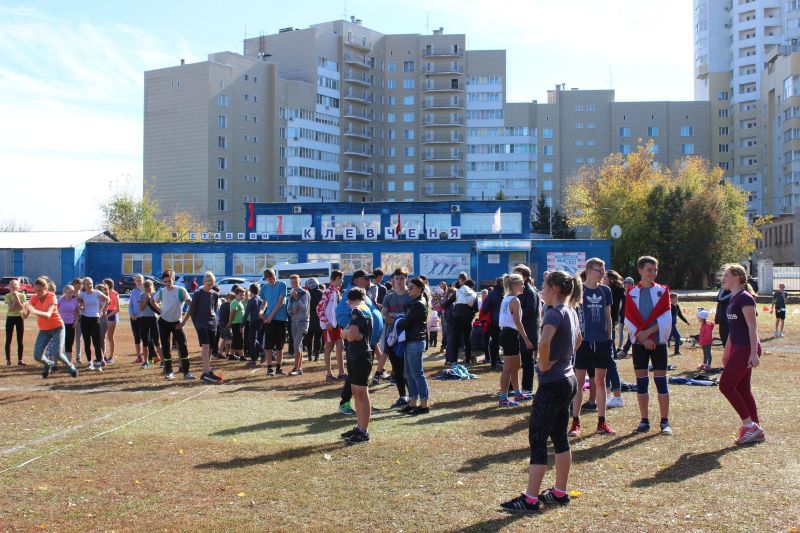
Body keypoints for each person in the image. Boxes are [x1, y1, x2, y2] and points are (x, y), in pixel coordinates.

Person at [500, 271, 581, 513]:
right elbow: (579, 339)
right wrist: (563, 359)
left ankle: (531, 499)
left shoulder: (554, 313)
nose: (541, 290)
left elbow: (544, 342)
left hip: (553, 384)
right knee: (560, 437)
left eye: (544, 286)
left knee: (538, 440)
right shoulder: (571, 311)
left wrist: (545, 365)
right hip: (568, 380)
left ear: (555, 288)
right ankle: (560, 492)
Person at [624, 256, 673, 435]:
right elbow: (629, 318)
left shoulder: (663, 291)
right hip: (639, 344)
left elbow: (666, 317)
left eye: (655, 270)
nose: (652, 273)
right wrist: (642, 338)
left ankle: (664, 421)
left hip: (658, 342)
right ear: (640, 271)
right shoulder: (631, 292)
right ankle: (644, 420)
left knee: (661, 382)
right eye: (649, 270)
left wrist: (649, 333)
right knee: (642, 382)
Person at [569, 258, 616, 436]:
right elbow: (572, 315)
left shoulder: (605, 290)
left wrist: (609, 339)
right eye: (599, 270)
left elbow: (608, 317)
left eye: (604, 270)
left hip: (602, 342)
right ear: (589, 271)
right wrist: (575, 340)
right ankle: (575, 423)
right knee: (579, 383)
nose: (603, 273)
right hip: (583, 343)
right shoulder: (578, 289)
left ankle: (602, 422)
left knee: (600, 382)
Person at [719, 264, 765, 444]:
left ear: (737, 277)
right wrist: (726, 351)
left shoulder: (745, 297)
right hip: (738, 348)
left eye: (727, 275)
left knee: (726, 386)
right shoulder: (733, 298)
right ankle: (756, 431)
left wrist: (754, 353)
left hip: (747, 348)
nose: (723, 278)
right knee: (743, 389)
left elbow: (753, 327)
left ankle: (750, 426)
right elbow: (733, 329)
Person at [22, 277, 79, 379]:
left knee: (56, 353)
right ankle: (49, 364)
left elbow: (48, 314)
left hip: (58, 328)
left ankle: (70, 366)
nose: (37, 293)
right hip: (44, 330)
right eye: (36, 290)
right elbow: (25, 315)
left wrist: (34, 311)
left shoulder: (51, 296)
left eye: (40, 290)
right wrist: (24, 310)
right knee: (37, 356)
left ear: (46, 288)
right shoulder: (34, 297)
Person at [339, 287, 374, 444]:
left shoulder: (357, 311)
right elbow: (345, 334)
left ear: (348, 301)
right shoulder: (363, 309)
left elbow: (350, 336)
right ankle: (360, 427)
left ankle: (364, 431)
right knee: (356, 392)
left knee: (361, 393)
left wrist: (349, 334)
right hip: (356, 354)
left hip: (360, 355)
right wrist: (350, 334)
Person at [497, 274, 535, 407]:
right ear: (514, 285)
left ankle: (517, 393)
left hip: (508, 334)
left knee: (516, 366)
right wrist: (527, 340)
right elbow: (518, 322)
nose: (523, 286)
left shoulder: (506, 298)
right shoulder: (514, 300)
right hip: (509, 335)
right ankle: (503, 398)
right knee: (507, 368)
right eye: (521, 284)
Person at [395, 277, 431, 415]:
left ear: (420, 289)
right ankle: (412, 402)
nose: (408, 290)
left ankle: (424, 404)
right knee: (409, 374)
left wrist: (396, 321)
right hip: (411, 340)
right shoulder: (414, 303)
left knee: (416, 373)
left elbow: (406, 323)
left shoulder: (418, 304)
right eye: (408, 287)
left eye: (411, 288)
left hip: (415, 341)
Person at [182, 271, 222, 384]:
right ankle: (207, 371)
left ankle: (206, 371)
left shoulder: (215, 294)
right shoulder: (198, 294)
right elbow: (192, 310)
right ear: (204, 282)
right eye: (208, 283)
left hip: (212, 324)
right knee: (205, 346)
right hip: (201, 324)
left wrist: (215, 322)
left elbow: (214, 308)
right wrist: (197, 325)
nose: (210, 286)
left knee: (210, 348)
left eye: (212, 283)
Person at [151, 270, 192, 380]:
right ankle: (169, 371)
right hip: (163, 322)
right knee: (165, 347)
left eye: (169, 281)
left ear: (173, 279)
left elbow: (191, 305)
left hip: (177, 323)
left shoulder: (181, 290)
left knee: (183, 345)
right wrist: (159, 310)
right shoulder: (161, 291)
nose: (167, 283)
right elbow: (152, 301)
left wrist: (184, 321)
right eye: (165, 281)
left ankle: (187, 372)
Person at [382, 268, 412, 409]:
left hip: (407, 337)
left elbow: (410, 317)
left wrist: (394, 315)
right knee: (397, 369)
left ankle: (413, 396)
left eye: (402, 278)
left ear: (406, 279)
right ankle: (402, 397)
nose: (399, 281)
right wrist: (398, 317)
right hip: (391, 337)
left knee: (408, 369)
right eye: (397, 278)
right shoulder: (388, 297)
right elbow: (385, 316)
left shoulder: (410, 295)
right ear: (393, 280)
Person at [514, 264, 542, 395]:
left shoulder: (530, 291)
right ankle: (512, 387)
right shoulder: (520, 290)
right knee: (515, 359)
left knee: (527, 360)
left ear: (524, 276)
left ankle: (527, 387)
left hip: (529, 330)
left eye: (516, 274)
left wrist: (515, 311)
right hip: (521, 330)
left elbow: (531, 311)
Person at [259, 268, 288, 376]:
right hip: (268, 319)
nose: (271, 280)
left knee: (280, 345)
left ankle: (279, 368)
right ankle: (269, 368)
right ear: (266, 279)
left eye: (272, 277)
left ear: (275, 275)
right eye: (269, 279)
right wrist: (261, 311)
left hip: (280, 318)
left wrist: (271, 315)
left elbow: (280, 302)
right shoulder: (264, 288)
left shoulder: (282, 284)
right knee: (268, 345)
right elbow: (264, 303)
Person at [317, 270, 345, 381]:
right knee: (328, 347)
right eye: (341, 279)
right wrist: (326, 322)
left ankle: (341, 372)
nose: (342, 281)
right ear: (337, 278)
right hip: (329, 325)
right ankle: (328, 373)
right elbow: (319, 309)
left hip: (337, 325)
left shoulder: (337, 291)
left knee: (340, 346)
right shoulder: (328, 292)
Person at [77, 277, 110, 371]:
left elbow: (107, 300)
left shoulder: (97, 292)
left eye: (90, 283)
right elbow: (77, 303)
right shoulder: (82, 294)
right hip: (85, 319)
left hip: (95, 319)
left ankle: (98, 363)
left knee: (96, 342)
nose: (89, 285)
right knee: (87, 342)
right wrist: (80, 307)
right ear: (84, 285)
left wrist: (102, 311)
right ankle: (89, 362)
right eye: (87, 284)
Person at [446, 278, 478, 366]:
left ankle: (454, 361)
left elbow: (447, 302)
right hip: (467, 319)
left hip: (457, 319)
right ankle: (467, 360)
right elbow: (476, 309)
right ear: (472, 286)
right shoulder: (474, 294)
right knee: (467, 341)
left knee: (455, 340)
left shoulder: (458, 291)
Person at [287, 274, 310, 376]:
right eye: (292, 282)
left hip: (303, 322)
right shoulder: (291, 293)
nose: (294, 284)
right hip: (294, 322)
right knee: (297, 345)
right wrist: (291, 311)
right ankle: (298, 368)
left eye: (296, 282)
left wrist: (297, 299)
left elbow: (305, 309)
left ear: (299, 282)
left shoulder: (305, 293)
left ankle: (297, 368)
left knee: (296, 344)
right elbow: (288, 309)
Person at [480, 278, 504, 368]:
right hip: (505, 320)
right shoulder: (507, 293)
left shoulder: (492, 294)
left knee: (494, 341)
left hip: (494, 320)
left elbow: (485, 308)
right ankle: (501, 360)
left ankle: (494, 361)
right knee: (504, 341)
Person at [138, 279, 162, 368]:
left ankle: (163, 361)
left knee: (156, 341)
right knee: (145, 341)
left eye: (149, 287)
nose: (148, 289)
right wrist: (145, 299)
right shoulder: (141, 295)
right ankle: (146, 362)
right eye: (146, 288)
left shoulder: (156, 294)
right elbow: (141, 308)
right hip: (144, 319)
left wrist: (151, 300)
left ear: (152, 287)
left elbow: (158, 308)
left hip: (153, 319)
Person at [4, 278, 26, 366]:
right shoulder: (7, 296)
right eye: (12, 287)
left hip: (19, 318)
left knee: (20, 340)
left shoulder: (22, 295)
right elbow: (11, 308)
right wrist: (14, 299)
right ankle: (8, 360)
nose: (13, 288)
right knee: (8, 339)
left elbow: (21, 308)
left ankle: (20, 360)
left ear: (18, 287)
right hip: (10, 318)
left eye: (15, 287)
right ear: (9, 287)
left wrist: (17, 297)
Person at [57, 284, 80, 363]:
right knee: (59, 343)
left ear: (73, 293)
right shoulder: (60, 300)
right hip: (61, 325)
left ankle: (68, 363)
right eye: (67, 292)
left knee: (69, 343)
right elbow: (55, 311)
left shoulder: (74, 301)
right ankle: (55, 362)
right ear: (64, 292)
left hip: (71, 325)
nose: (68, 294)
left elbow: (77, 312)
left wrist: (76, 321)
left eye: (70, 292)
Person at [304, 278, 324, 362]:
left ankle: (309, 355)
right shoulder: (322, 293)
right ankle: (317, 355)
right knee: (318, 338)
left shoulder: (306, 293)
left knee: (309, 338)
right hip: (319, 318)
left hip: (308, 318)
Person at [128, 275, 145, 364]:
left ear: (143, 280)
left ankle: (149, 357)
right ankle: (139, 356)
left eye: (140, 280)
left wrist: (140, 315)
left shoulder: (146, 291)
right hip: (134, 318)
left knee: (145, 338)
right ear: (135, 282)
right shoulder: (133, 292)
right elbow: (130, 305)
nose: (138, 282)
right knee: (136, 337)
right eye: (137, 280)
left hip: (144, 318)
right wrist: (131, 314)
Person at [245, 284, 263, 366]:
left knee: (251, 340)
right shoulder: (260, 299)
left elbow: (246, 313)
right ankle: (259, 354)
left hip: (253, 321)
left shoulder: (252, 300)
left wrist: (242, 325)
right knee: (254, 339)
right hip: (260, 321)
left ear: (250, 291)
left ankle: (254, 359)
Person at [102, 278, 120, 363]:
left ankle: (111, 357)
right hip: (104, 314)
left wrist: (107, 316)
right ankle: (103, 356)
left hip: (112, 315)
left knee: (110, 336)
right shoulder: (104, 293)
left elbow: (117, 309)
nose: (103, 286)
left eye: (104, 284)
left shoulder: (114, 293)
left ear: (108, 285)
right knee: (102, 336)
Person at [617, 276, 635, 357]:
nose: (624, 284)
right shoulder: (623, 292)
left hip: (631, 316)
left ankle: (625, 350)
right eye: (624, 282)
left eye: (626, 282)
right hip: (622, 314)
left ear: (630, 283)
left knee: (631, 333)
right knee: (620, 331)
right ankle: (620, 348)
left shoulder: (634, 293)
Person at [229, 287, 246, 360]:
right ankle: (242, 356)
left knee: (236, 339)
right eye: (241, 295)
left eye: (243, 295)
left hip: (238, 323)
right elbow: (232, 313)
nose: (242, 296)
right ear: (236, 294)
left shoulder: (238, 302)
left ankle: (231, 355)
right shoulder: (235, 302)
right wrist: (230, 322)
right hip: (237, 324)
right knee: (239, 340)